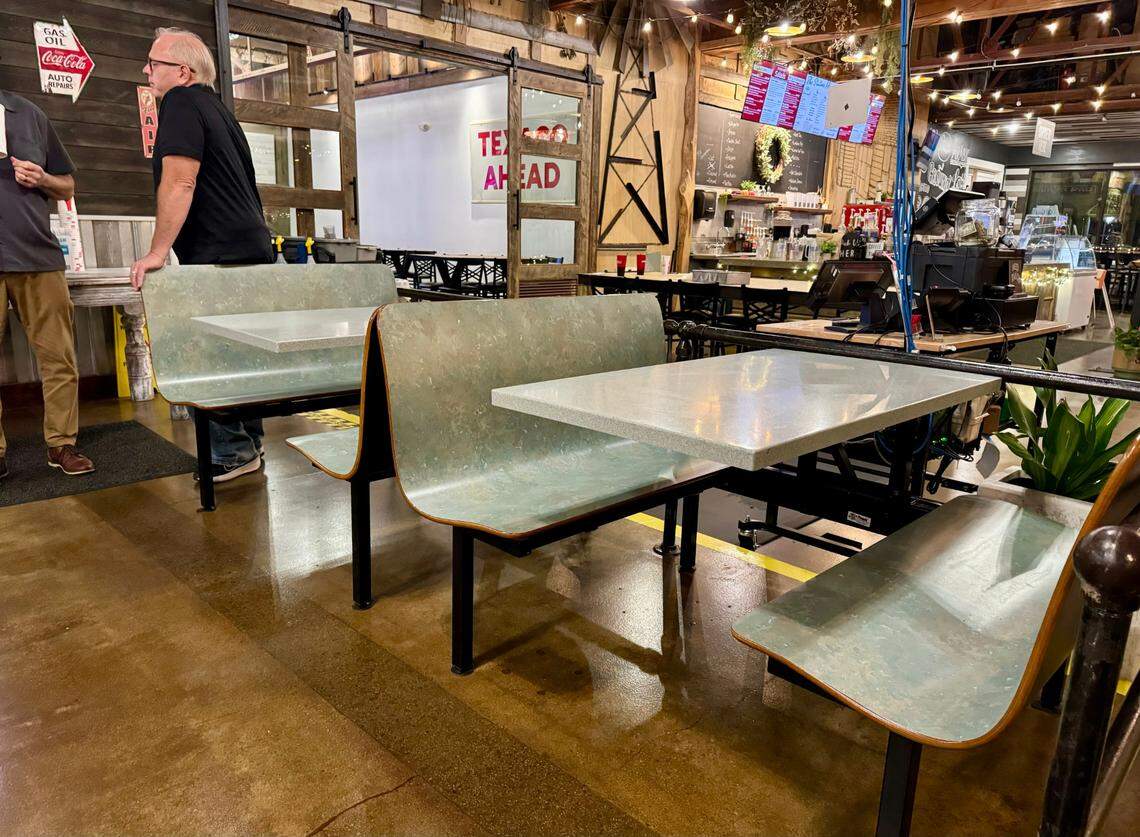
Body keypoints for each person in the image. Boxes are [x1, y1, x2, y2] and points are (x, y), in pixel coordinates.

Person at [131, 28, 274, 484]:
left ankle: (231, 451)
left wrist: (158, 251)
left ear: (183, 71)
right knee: (242, 353)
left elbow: (180, 181)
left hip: (218, 255)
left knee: (212, 355)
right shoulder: (219, 111)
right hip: (251, 250)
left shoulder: (180, 103)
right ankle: (248, 442)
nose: (147, 70)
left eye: (153, 63)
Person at [0, 87, 95, 480]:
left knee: (59, 356)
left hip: (37, 255)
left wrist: (41, 178)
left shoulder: (29, 114)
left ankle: (61, 444)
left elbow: (67, 186)